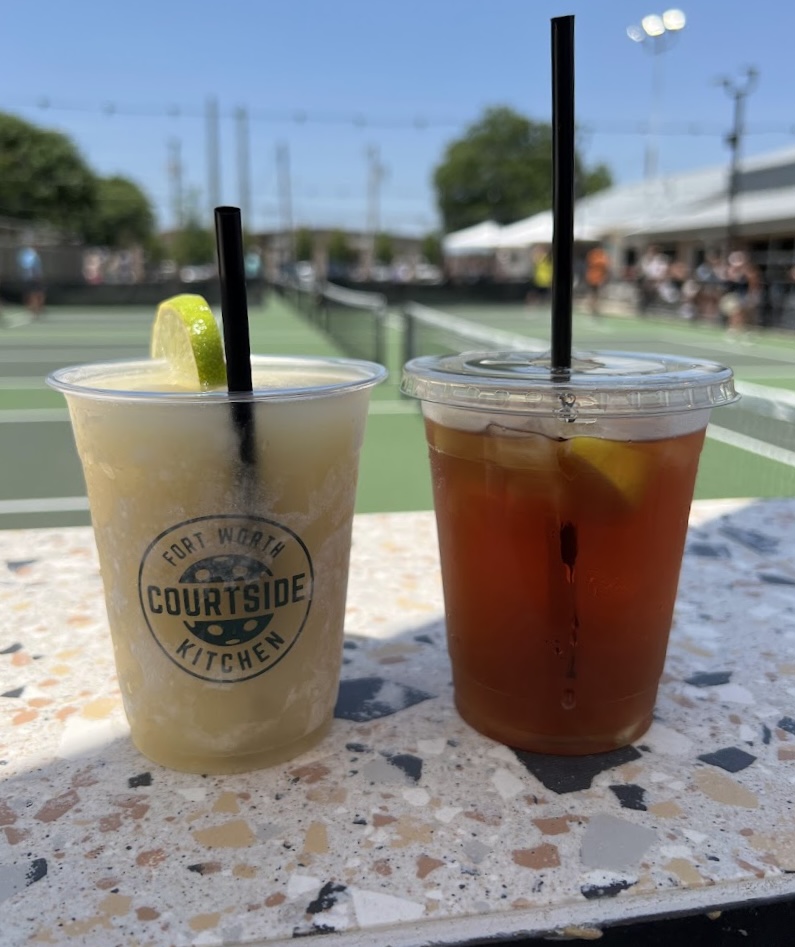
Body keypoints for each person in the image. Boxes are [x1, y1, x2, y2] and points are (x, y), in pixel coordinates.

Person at [17, 245, 45, 318]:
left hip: (30, 278)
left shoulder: (28, 254)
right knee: (34, 295)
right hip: (32, 279)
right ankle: (34, 311)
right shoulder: (31, 255)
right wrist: (36, 276)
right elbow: (31, 267)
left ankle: (34, 311)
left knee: (35, 295)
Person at [584, 243, 611, 316]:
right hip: (594, 278)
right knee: (594, 293)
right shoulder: (598, 255)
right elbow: (604, 264)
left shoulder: (600, 255)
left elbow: (606, 266)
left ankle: (594, 307)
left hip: (598, 278)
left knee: (596, 293)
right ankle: (593, 307)